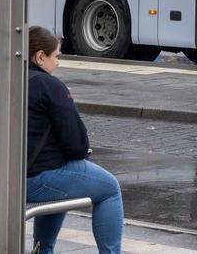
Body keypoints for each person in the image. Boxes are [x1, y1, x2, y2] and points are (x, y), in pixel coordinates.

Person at [25, 25, 123, 254]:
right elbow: (77, 146)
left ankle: (43, 251)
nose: (57, 63)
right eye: (56, 56)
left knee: (61, 178)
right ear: (40, 57)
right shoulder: (49, 85)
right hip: (32, 181)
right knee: (109, 188)